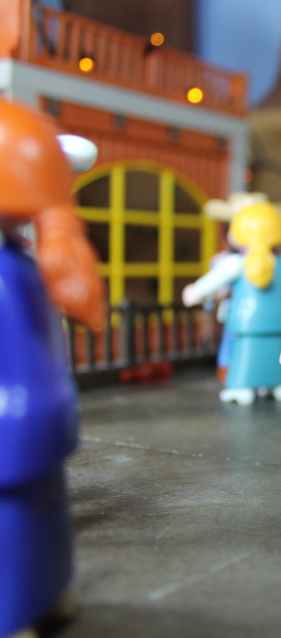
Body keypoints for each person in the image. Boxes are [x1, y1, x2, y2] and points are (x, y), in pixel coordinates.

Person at [0, 100, 105, 638]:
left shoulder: (11, 273)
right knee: (40, 516)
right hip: (41, 414)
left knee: (13, 526)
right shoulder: (27, 266)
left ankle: (15, 612)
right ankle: (50, 595)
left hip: (11, 419)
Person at [183, 202, 281, 405]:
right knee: (274, 353)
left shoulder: (234, 263)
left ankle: (242, 387)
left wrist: (193, 292)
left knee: (246, 352)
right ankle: (278, 386)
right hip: (277, 320)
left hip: (248, 321)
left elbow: (207, 285)